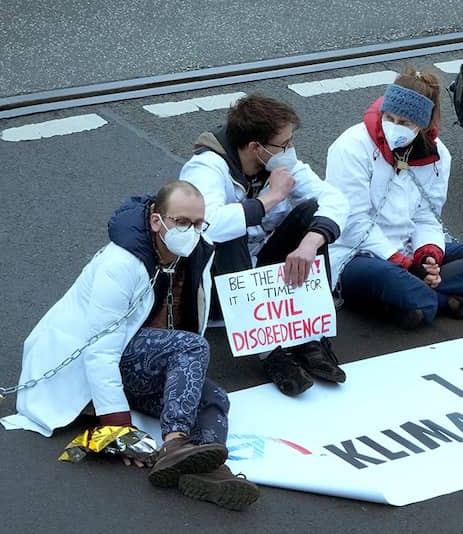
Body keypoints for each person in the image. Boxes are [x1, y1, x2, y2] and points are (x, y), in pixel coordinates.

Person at [1, 181, 259, 510]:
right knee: (191, 347)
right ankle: (176, 444)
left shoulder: (194, 254)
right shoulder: (120, 264)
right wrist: (118, 425)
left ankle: (208, 470)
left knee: (215, 399)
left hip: (140, 358)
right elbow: (99, 350)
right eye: (182, 222)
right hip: (89, 361)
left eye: (197, 224)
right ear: (156, 221)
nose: (191, 231)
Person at [180, 94, 349, 396]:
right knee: (229, 230)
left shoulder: (280, 164)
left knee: (311, 213)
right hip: (220, 285)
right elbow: (209, 225)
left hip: (262, 275)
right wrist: (269, 199)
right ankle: (269, 352)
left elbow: (334, 199)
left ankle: (308, 336)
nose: (290, 150)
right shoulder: (205, 168)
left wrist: (311, 242)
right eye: (283, 145)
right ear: (256, 148)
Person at [325, 68, 463, 329]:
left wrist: (428, 257)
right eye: (388, 118)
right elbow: (353, 222)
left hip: (408, 251)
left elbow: (427, 215)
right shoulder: (350, 147)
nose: (393, 127)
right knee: (391, 278)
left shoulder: (439, 156)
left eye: (404, 123)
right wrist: (399, 262)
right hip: (357, 254)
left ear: (423, 124)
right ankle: (449, 303)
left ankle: (413, 298)